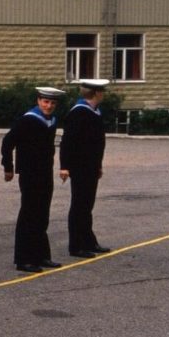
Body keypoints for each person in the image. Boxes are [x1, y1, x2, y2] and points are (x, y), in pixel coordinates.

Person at [2, 86, 66, 272]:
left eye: (53, 103)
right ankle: (24, 259)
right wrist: (8, 166)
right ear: (38, 101)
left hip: (45, 171)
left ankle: (41, 255)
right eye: (45, 102)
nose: (49, 106)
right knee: (29, 214)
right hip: (30, 172)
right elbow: (8, 142)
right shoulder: (28, 119)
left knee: (42, 214)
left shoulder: (51, 120)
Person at [60, 79, 111, 258]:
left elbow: (96, 144)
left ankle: (88, 241)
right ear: (96, 93)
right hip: (79, 167)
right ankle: (76, 246)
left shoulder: (94, 111)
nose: (103, 94)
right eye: (102, 91)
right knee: (79, 206)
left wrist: (98, 165)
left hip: (90, 166)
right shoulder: (79, 113)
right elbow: (68, 142)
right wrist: (64, 166)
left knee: (87, 205)